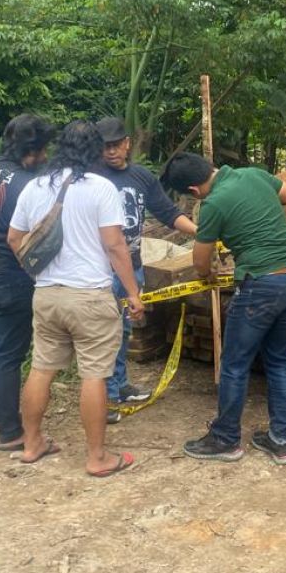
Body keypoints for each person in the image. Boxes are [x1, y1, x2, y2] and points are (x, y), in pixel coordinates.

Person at [7, 120, 145, 477]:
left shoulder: (35, 186)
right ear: (96, 149)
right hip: (90, 296)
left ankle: (32, 442)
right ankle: (97, 457)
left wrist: (37, 274)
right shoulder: (100, 187)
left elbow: (14, 238)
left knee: (41, 369)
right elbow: (115, 245)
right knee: (95, 375)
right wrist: (132, 293)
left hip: (47, 295)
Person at [159, 152, 286, 466]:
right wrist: (270, 228)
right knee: (279, 359)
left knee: (234, 363)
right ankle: (281, 442)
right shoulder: (254, 174)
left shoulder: (212, 204)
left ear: (194, 191)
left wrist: (207, 275)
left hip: (261, 284)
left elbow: (200, 260)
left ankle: (225, 439)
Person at [93, 116, 197, 420]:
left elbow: (167, 212)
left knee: (123, 330)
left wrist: (198, 231)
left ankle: (120, 384)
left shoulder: (141, 177)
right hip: (99, 269)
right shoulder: (90, 177)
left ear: (127, 144)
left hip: (132, 266)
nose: (111, 152)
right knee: (104, 333)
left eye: (116, 145)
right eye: (104, 147)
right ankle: (106, 398)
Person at [0, 114, 54, 452]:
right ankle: (10, 431)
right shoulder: (28, 183)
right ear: (34, 149)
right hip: (10, 276)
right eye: (44, 149)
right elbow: (32, 234)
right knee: (9, 355)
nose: (46, 156)